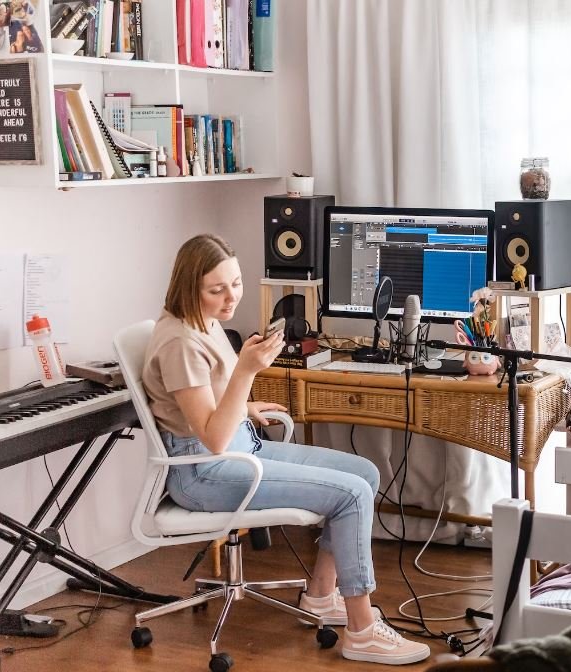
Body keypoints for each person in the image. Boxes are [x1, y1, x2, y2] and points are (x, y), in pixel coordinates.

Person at [141, 234, 430, 666]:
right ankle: (362, 631)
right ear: (189, 287)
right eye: (216, 290)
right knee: (350, 495)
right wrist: (247, 372)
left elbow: (207, 403)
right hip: (206, 472)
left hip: (240, 446)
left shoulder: (203, 320)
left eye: (235, 283)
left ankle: (320, 598)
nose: (230, 298)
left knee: (365, 475)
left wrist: (246, 402)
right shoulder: (181, 342)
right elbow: (212, 438)